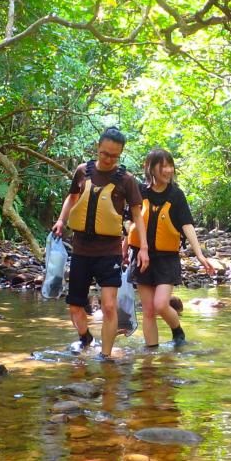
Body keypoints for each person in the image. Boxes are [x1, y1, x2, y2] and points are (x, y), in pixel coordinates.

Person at [52, 127, 149, 360]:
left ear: (121, 154)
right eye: (105, 153)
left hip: (109, 251)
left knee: (108, 306)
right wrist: (61, 220)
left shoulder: (126, 180)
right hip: (81, 250)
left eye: (114, 156)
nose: (108, 159)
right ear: (98, 147)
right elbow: (72, 197)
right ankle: (86, 338)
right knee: (75, 306)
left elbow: (137, 215)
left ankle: (105, 357)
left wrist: (143, 247)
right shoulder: (82, 172)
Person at [125, 148, 215, 347]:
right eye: (163, 166)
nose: (168, 170)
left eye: (170, 165)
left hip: (167, 259)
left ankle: (177, 330)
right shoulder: (140, 191)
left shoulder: (176, 195)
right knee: (148, 310)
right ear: (150, 168)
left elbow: (187, 225)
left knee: (160, 304)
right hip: (141, 256)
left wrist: (199, 254)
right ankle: (151, 356)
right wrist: (124, 248)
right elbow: (131, 222)